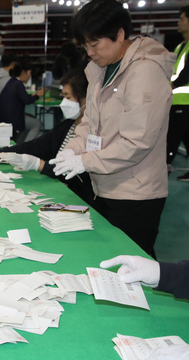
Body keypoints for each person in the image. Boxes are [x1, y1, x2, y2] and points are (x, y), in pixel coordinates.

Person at [49, 0, 175, 259]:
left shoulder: (145, 71)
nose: (90, 52)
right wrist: (72, 150)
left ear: (119, 34)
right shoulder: (99, 70)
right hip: (104, 185)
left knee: (132, 266)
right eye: (85, 46)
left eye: (94, 44)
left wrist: (85, 161)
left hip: (135, 192)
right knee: (105, 259)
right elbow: (89, 123)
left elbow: (136, 142)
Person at [0, 69, 95, 207]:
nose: (63, 102)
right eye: (63, 96)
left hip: (78, 200)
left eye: (68, 97)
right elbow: (36, 146)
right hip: (58, 190)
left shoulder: (93, 134)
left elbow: (74, 178)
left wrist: (38, 165)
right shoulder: (66, 126)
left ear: (85, 100)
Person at [0, 62, 47, 143]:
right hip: (12, 120)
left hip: (4, 117)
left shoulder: (12, 81)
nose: (30, 76)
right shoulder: (18, 84)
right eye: (30, 73)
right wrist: (38, 95)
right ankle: (27, 146)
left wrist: (34, 95)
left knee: (29, 121)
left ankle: (20, 144)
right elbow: (27, 100)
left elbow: (23, 97)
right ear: (24, 73)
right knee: (37, 124)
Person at [167, 6, 189, 181]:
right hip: (177, 100)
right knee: (186, 138)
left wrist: (170, 86)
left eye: (182, 18)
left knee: (172, 137)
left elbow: (185, 74)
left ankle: (163, 168)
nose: (178, 22)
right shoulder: (180, 46)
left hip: (184, 101)